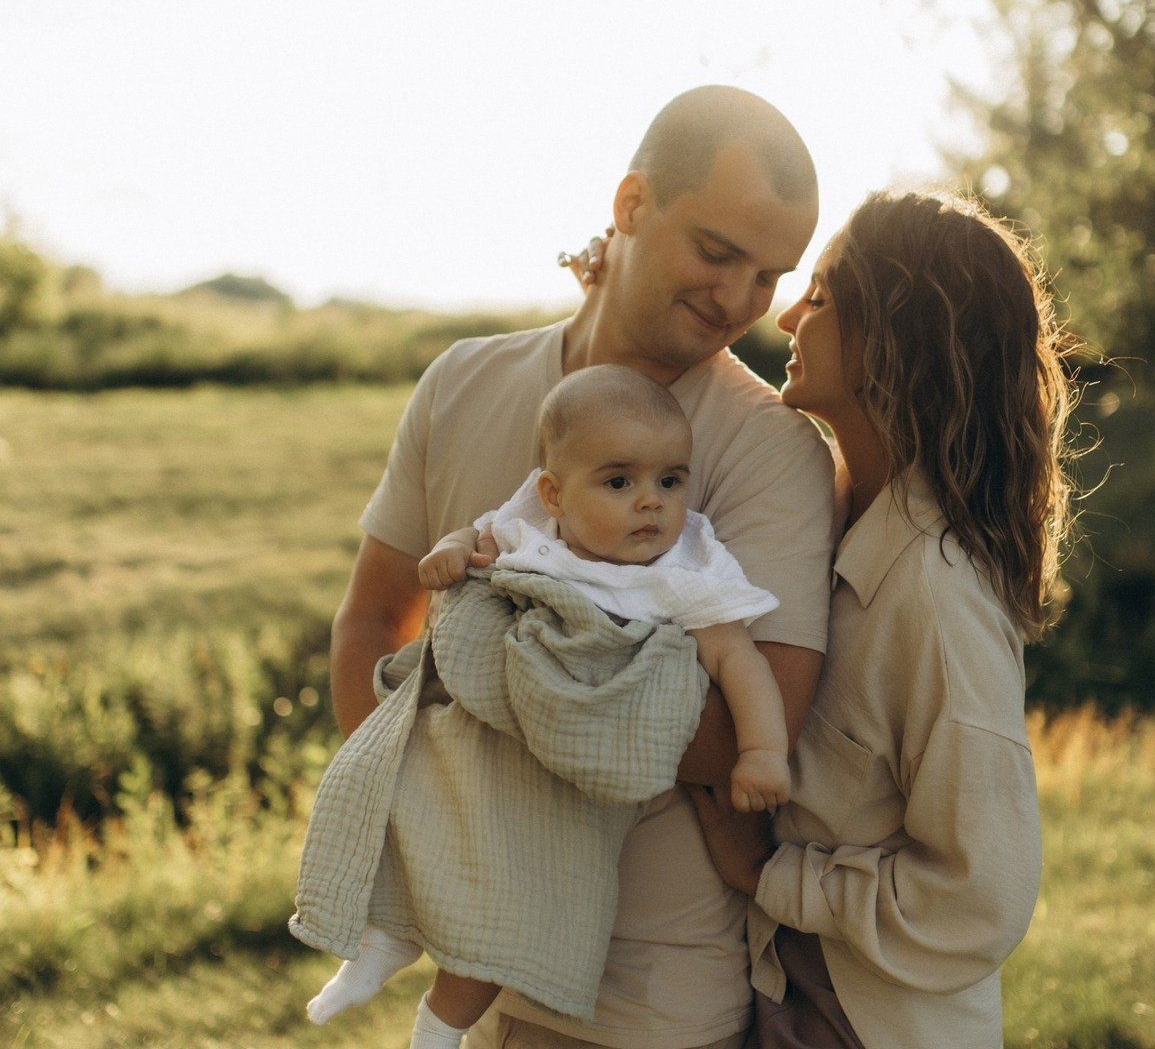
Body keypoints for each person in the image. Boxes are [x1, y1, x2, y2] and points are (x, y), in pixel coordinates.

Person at [314, 85, 837, 1049]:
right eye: (717, 253)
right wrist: (412, 823)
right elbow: (372, 617)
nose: (738, 301)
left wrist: (504, 677)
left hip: (643, 1006)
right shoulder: (462, 380)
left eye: (769, 276)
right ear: (631, 206)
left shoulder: (773, 448)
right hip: (482, 988)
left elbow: (751, 731)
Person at [296, 364, 794, 1047]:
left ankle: (437, 1029)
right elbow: (470, 543)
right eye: (619, 482)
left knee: (511, 908)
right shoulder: (531, 532)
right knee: (412, 817)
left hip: (565, 784)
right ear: (553, 494)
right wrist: (447, 555)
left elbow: (740, 660)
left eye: (670, 481)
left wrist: (763, 751)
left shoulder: (684, 570)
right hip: (481, 745)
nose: (651, 503)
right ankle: (381, 945)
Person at [688, 189, 1077, 1048]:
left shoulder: (936, 597)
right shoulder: (828, 514)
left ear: (893, 342)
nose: (789, 315)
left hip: (876, 1025)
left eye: (821, 297)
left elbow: (983, 894)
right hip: (796, 996)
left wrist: (771, 876)